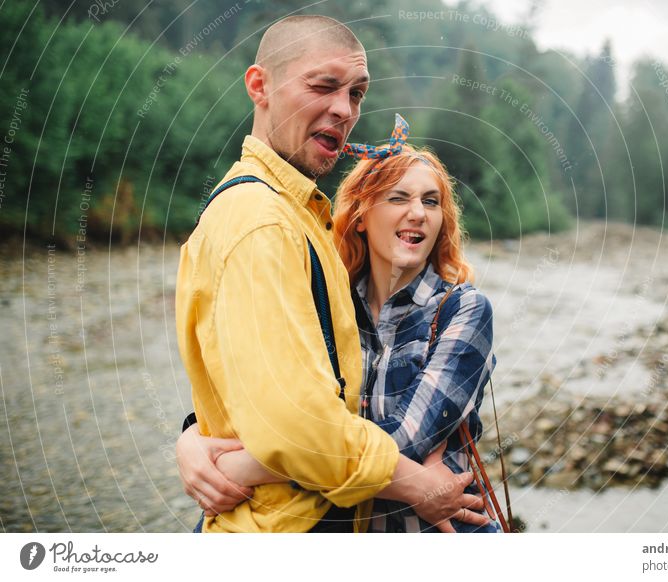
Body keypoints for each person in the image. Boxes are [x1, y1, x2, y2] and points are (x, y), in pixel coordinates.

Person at [174, 15, 487, 533]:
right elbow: (298, 423)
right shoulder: (261, 221)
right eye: (323, 86)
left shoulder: (301, 221)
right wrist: (412, 482)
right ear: (260, 86)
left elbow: (267, 388)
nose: (344, 109)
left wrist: (211, 448)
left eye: (357, 93)